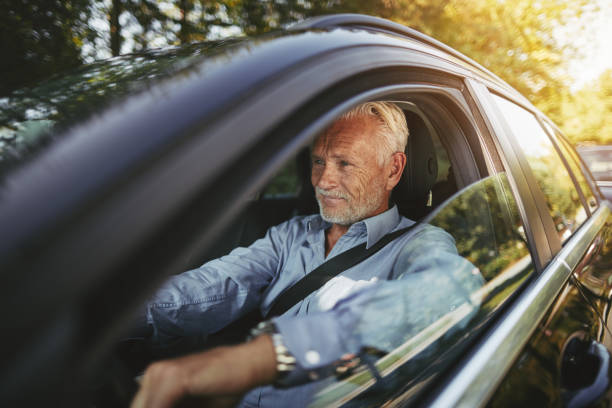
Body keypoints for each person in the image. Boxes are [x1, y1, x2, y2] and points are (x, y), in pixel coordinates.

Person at [130, 102, 483, 408]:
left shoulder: (420, 242)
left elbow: (450, 289)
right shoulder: (293, 233)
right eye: (318, 161)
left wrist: (268, 357)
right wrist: (117, 313)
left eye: (345, 163)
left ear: (392, 169)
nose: (322, 180)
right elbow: (218, 284)